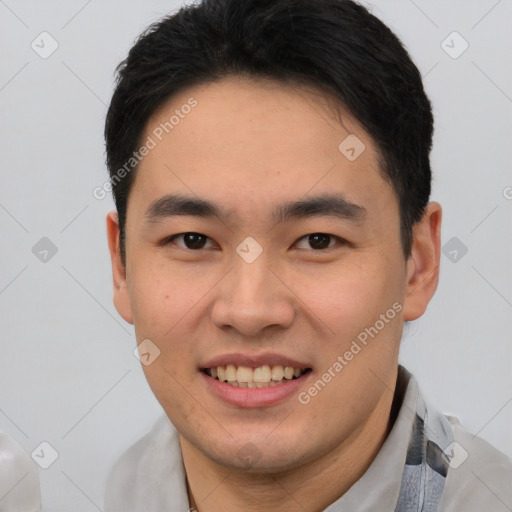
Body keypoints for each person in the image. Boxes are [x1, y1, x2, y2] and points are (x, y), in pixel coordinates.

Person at [102, 0, 512, 510]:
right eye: (193, 240)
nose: (249, 312)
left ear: (418, 264)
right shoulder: (116, 488)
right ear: (121, 266)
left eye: (318, 241)